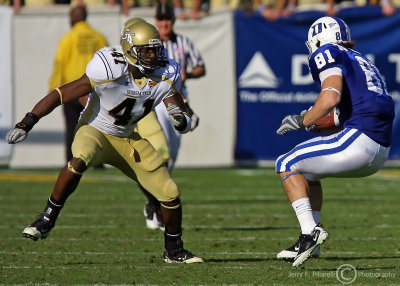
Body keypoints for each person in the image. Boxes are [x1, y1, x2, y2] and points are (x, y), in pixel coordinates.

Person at [6, 21, 203, 264]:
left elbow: (180, 118)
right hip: (95, 130)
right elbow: (64, 93)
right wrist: (28, 121)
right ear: (130, 49)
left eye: (155, 49)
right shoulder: (110, 64)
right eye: (145, 50)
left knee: (170, 193)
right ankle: (47, 218)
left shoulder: (166, 71)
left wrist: (180, 120)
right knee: (79, 159)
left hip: (128, 137)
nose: (152, 56)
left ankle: (173, 250)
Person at [275, 16, 394, 267]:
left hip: (361, 139)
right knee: (308, 173)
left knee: (286, 162)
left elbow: (329, 98)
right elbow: (339, 115)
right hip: (380, 148)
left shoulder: (328, 51)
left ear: (319, 39)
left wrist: (305, 119)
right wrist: (303, 120)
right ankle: (311, 241)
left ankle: (310, 233)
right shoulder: (360, 60)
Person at [138, 2, 205, 230]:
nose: (165, 24)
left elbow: (200, 67)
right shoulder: (149, 44)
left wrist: (188, 73)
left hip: (177, 100)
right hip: (155, 103)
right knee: (161, 154)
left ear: (173, 21)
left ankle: (155, 202)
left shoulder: (183, 42)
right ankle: (156, 203)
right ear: (156, 21)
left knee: (171, 155)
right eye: (161, 20)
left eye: (168, 21)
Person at [49, 5, 108, 163]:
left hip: (72, 90)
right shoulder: (98, 37)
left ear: (75, 17)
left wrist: (54, 87)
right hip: (95, 90)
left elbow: (59, 63)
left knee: (72, 127)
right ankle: (98, 161)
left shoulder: (68, 38)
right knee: (97, 127)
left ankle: (71, 160)